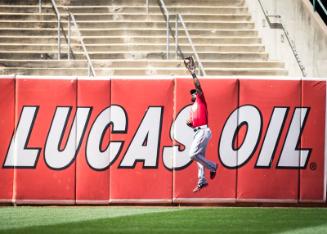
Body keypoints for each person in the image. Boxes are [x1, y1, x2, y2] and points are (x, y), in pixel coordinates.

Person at [184, 56, 217, 193]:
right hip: (197, 131)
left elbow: (197, 85)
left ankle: (213, 166)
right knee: (199, 159)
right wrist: (189, 124)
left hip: (203, 131)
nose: (192, 93)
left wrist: (192, 72)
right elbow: (192, 123)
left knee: (192, 154)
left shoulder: (200, 100)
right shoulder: (192, 108)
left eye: (194, 92)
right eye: (191, 93)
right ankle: (202, 180)